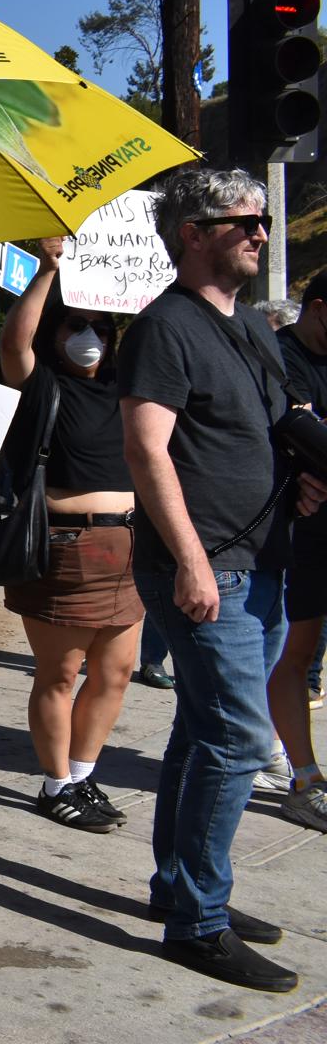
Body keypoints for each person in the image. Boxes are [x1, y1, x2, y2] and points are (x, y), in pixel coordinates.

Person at [119, 167, 327, 992]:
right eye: (242, 221)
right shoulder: (165, 327)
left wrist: (299, 481)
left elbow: (263, 434)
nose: (260, 233)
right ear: (192, 234)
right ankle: (197, 922)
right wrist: (194, 562)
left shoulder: (245, 328)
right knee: (239, 740)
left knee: (200, 733)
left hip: (265, 558)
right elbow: (145, 449)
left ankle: (180, 888)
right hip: (213, 570)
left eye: (264, 221)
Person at [0, 237, 139, 833]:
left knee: (117, 671)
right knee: (60, 674)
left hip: (127, 548)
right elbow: (13, 344)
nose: (90, 338)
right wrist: (49, 271)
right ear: (56, 333)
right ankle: (56, 785)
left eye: (101, 328)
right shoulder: (41, 386)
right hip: (65, 548)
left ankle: (82, 775)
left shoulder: (127, 388)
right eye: (76, 327)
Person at [268, 270, 327, 830]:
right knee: (298, 656)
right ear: (319, 309)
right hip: (303, 536)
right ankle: (305, 778)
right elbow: (302, 435)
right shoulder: (281, 356)